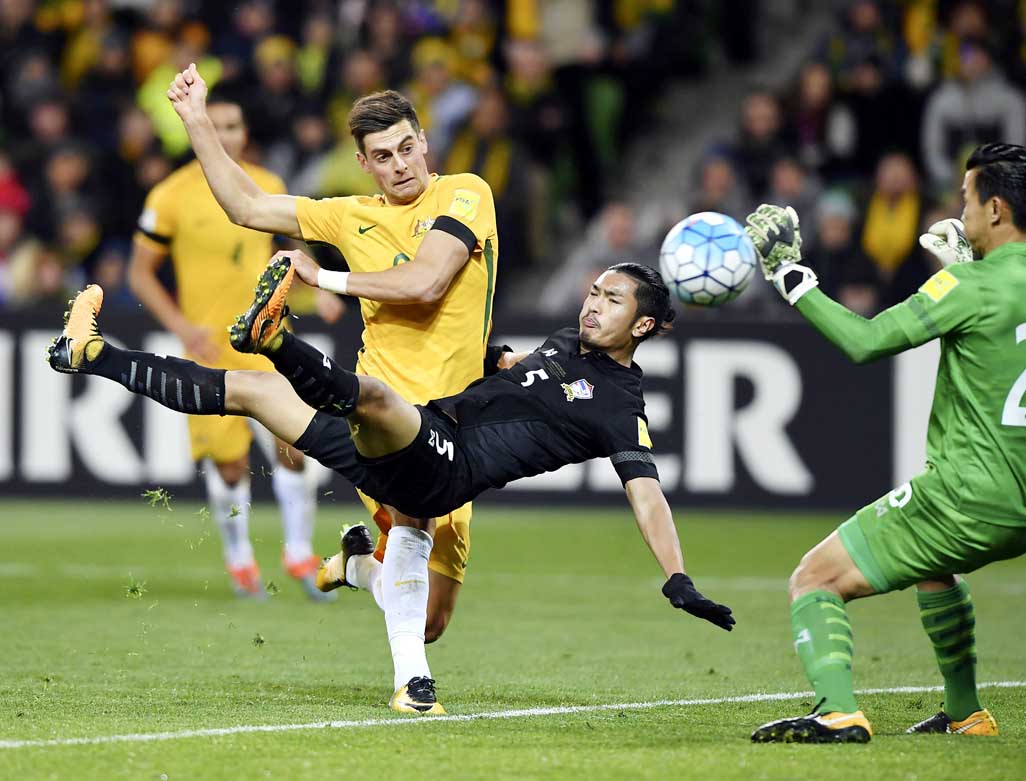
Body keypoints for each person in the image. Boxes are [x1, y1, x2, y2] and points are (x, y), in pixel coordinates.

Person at [47, 259, 735, 713]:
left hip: (448, 464)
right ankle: (93, 353)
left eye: (612, 300)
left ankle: (278, 337)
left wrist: (676, 576)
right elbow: (515, 370)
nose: (593, 305)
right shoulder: (562, 345)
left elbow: (645, 489)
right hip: (426, 438)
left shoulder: (620, 403)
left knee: (372, 400)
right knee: (252, 394)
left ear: (642, 325)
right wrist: (499, 357)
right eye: (593, 291)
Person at [165, 65, 498, 698]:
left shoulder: (466, 193)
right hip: (381, 408)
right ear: (363, 164)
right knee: (412, 523)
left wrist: (325, 278)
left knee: (430, 618)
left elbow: (425, 283)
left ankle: (355, 570)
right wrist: (197, 121)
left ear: (423, 142)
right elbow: (247, 206)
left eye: (406, 147)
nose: (400, 164)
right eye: (382, 156)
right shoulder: (349, 216)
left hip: (460, 418)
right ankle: (413, 687)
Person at [742, 143, 1026, 743]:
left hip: (968, 496)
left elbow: (866, 342)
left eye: (966, 199)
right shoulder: (979, 278)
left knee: (814, 578)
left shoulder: (969, 287)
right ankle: (965, 712)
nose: (960, 209)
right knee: (935, 570)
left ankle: (837, 709)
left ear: (996, 209)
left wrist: (794, 280)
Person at [128, 88, 340, 601]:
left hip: (268, 345)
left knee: (295, 447)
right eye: (214, 125)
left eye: (233, 126)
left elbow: (286, 254)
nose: (225, 136)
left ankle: (297, 554)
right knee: (229, 464)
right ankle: (241, 560)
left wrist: (320, 291)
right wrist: (181, 328)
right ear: (196, 131)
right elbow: (139, 275)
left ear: (244, 133)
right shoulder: (169, 195)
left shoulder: (265, 185)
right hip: (207, 350)